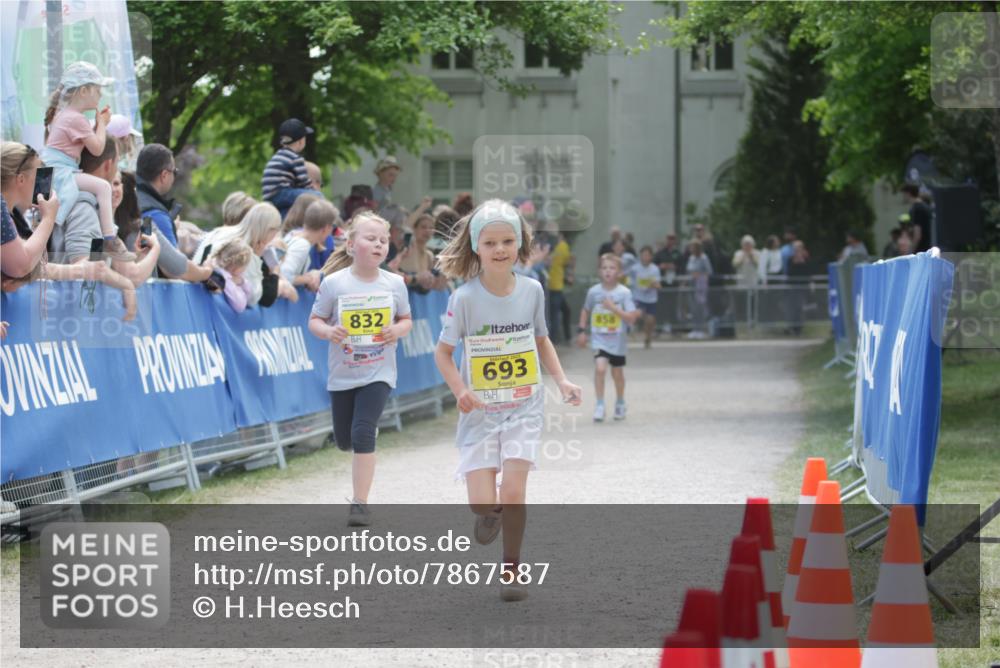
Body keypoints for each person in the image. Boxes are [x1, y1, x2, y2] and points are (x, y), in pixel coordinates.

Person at [434, 199, 582, 602]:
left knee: (514, 491)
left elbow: (541, 339)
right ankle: (491, 513)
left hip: (523, 405)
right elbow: (443, 354)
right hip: (481, 412)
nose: (499, 249)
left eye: (507, 241)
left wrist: (561, 380)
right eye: (490, 243)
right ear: (476, 248)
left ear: (519, 244)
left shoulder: (532, 290)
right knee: (481, 504)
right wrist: (461, 391)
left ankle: (512, 569)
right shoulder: (464, 298)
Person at [310, 211, 413, 526]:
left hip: (379, 371)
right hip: (343, 373)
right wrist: (329, 331)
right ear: (351, 245)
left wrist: (397, 330)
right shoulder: (334, 283)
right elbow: (314, 320)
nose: (380, 244)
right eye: (371, 238)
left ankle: (359, 504)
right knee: (345, 440)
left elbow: (406, 319)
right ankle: (362, 436)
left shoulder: (395, 283)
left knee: (362, 432)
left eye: (384, 240)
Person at [42, 61, 133, 261]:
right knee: (104, 187)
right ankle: (109, 238)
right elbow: (97, 148)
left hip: (50, 170)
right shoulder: (76, 118)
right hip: (60, 171)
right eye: (97, 90)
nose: (100, 95)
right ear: (83, 91)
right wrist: (102, 124)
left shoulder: (64, 115)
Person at [117, 170, 213, 285]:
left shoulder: (106, 230)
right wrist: (206, 271)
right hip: (140, 293)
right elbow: (177, 267)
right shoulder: (143, 227)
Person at [577, 253, 641, 421]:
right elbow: (585, 310)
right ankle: (599, 405)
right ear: (599, 271)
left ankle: (620, 402)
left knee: (617, 373)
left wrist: (614, 308)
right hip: (599, 340)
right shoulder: (593, 292)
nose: (608, 271)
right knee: (600, 369)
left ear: (619, 272)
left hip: (618, 342)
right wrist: (581, 331)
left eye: (612, 268)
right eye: (604, 268)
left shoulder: (624, 293)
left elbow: (631, 318)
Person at [195, 202, 297, 308]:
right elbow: (254, 297)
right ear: (268, 230)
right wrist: (257, 257)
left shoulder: (223, 232)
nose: (274, 236)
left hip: (195, 288)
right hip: (206, 301)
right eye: (275, 231)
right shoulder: (244, 249)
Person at [261, 118, 322, 218]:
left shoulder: (278, 155)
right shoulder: (295, 158)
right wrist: (312, 190)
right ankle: (330, 224)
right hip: (282, 192)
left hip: (269, 196)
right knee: (317, 196)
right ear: (301, 141)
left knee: (287, 210)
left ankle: (284, 222)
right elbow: (303, 181)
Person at [281, 199, 336, 292]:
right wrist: (308, 279)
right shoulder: (302, 245)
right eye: (332, 226)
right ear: (326, 228)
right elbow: (284, 275)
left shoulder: (293, 234)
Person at [135, 143, 181, 247]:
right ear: (164, 175)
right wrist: (171, 228)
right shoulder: (157, 216)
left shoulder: (127, 196)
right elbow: (173, 257)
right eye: (175, 172)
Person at [397, 212, 446, 292]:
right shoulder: (408, 249)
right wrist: (423, 206)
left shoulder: (429, 256)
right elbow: (405, 226)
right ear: (414, 229)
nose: (427, 231)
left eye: (431, 228)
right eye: (423, 227)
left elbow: (436, 286)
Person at [208, 238, 255, 313]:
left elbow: (250, 292)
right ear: (237, 268)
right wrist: (238, 282)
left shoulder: (215, 266)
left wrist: (241, 281)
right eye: (245, 267)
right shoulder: (225, 279)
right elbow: (240, 306)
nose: (245, 270)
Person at [629, 246, 662, 348]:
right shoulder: (635, 269)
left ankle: (648, 336)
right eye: (643, 255)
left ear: (651, 256)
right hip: (639, 297)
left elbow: (658, 285)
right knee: (641, 315)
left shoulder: (655, 269)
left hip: (651, 299)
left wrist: (653, 285)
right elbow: (630, 281)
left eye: (647, 255)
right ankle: (634, 329)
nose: (645, 257)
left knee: (650, 320)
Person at [546, 231, 574, 344]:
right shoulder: (563, 246)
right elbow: (568, 263)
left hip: (551, 284)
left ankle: (565, 337)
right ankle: (553, 340)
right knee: (555, 315)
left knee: (562, 311)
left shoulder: (550, 248)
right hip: (556, 286)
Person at [686, 240, 713, 339]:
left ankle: (701, 329)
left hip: (700, 286)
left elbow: (709, 271)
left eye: (692, 247)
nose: (691, 249)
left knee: (700, 308)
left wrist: (700, 274)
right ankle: (694, 329)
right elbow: (688, 270)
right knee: (693, 309)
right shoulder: (691, 258)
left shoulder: (704, 258)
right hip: (691, 285)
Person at [901, 183, 932, 252]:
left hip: (921, 250)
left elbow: (917, 234)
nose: (903, 197)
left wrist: (910, 252)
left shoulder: (916, 209)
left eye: (904, 194)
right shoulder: (924, 206)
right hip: (928, 248)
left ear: (908, 193)